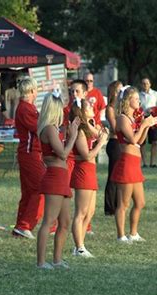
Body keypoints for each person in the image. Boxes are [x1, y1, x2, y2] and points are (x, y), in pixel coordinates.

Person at [36, 91, 80, 269]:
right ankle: (40, 262)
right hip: (54, 177)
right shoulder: (49, 128)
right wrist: (73, 137)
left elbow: (62, 152)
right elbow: (62, 154)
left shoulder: (54, 129)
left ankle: (57, 259)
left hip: (62, 177)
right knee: (49, 221)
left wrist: (70, 134)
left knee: (65, 222)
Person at [111, 87, 157, 242]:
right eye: (136, 98)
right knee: (123, 204)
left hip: (135, 164)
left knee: (140, 202)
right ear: (128, 100)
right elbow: (132, 140)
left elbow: (140, 141)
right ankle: (121, 236)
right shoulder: (122, 118)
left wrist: (147, 125)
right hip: (126, 163)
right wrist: (144, 124)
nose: (139, 101)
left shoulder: (133, 119)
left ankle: (133, 233)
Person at [70, 97, 109, 257]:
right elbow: (86, 156)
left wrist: (98, 130)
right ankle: (79, 247)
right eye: (89, 106)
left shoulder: (88, 126)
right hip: (83, 171)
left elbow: (102, 133)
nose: (93, 106)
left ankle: (81, 243)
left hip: (91, 172)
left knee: (90, 212)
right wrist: (101, 143)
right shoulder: (79, 131)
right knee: (81, 212)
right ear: (82, 111)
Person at [12, 77, 45, 239]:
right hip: (31, 153)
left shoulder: (27, 107)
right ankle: (26, 224)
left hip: (29, 153)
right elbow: (40, 129)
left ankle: (20, 225)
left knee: (28, 191)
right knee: (40, 189)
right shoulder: (26, 109)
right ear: (32, 91)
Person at [104, 80, 123, 216]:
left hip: (122, 143)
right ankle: (110, 207)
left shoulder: (122, 107)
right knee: (113, 176)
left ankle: (119, 204)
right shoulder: (110, 108)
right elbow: (115, 128)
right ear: (114, 92)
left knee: (120, 176)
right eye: (120, 90)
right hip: (114, 143)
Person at [139, 78, 157, 168]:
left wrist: (153, 109)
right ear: (141, 85)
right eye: (143, 83)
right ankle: (144, 162)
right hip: (142, 118)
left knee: (155, 141)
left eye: (147, 83)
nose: (145, 85)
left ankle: (153, 162)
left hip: (153, 118)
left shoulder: (155, 94)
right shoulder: (138, 95)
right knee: (142, 141)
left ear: (150, 84)